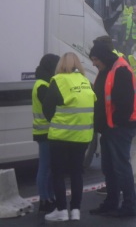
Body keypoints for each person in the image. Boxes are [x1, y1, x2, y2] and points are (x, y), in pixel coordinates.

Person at [88, 40, 136, 218]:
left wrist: (115, 123)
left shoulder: (120, 70)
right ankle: (112, 202)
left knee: (120, 167)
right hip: (110, 128)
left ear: (102, 57)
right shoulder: (107, 69)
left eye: (95, 59)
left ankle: (128, 205)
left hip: (120, 128)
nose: (93, 63)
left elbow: (125, 102)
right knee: (109, 167)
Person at [42, 53, 96, 222]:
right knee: (76, 173)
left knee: (58, 173)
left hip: (61, 135)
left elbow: (47, 108)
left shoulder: (58, 80)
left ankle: (61, 210)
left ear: (61, 65)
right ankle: (76, 210)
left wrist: (58, 121)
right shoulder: (86, 82)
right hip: (82, 136)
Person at [32, 53, 60, 213]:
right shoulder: (42, 85)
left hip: (47, 131)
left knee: (49, 167)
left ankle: (49, 197)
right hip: (45, 132)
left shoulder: (44, 82)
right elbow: (51, 106)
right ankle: (44, 199)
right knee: (45, 167)